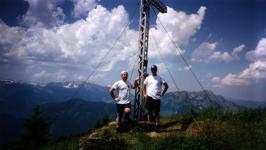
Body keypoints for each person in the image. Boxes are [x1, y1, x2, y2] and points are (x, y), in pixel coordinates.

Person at [143, 65, 168, 129]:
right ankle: (149, 124)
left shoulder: (160, 78)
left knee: (156, 112)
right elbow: (144, 86)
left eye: (154, 69)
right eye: (152, 70)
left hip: (156, 98)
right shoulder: (148, 78)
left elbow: (166, 86)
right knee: (149, 111)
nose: (153, 71)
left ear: (156, 70)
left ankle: (157, 124)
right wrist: (145, 94)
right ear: (151, 70)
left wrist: (162, 93)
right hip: (149, 97)